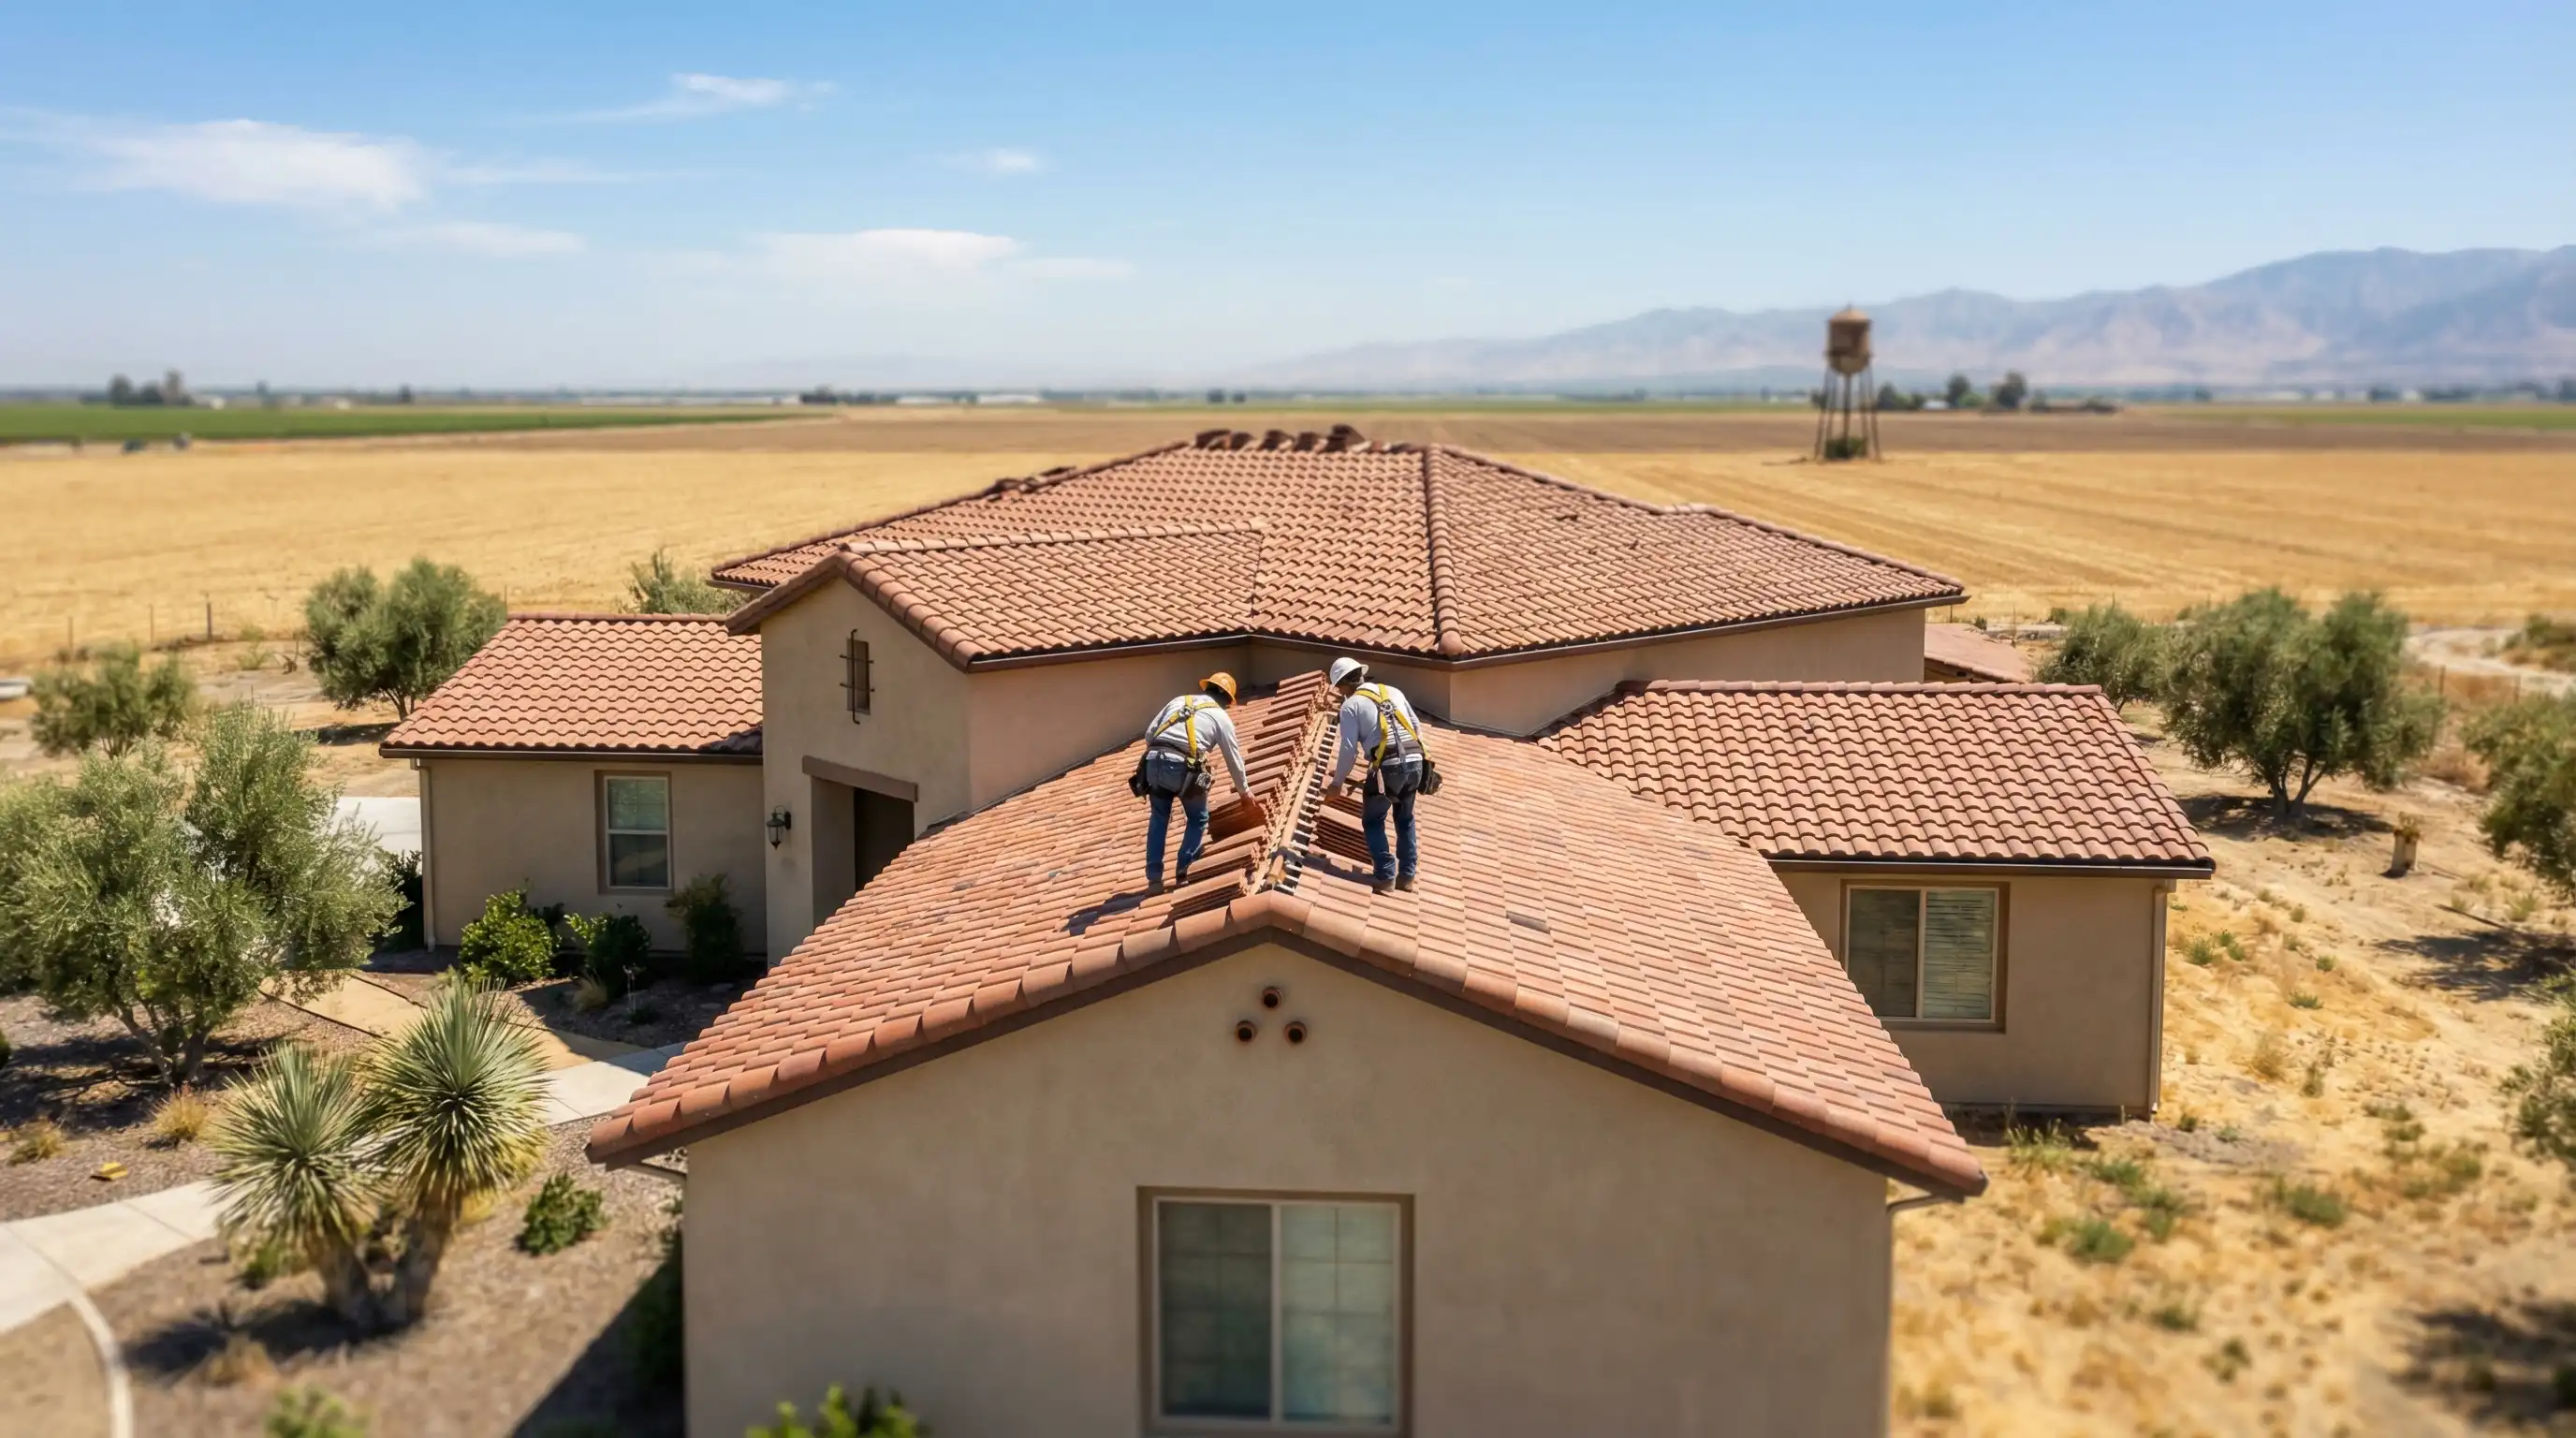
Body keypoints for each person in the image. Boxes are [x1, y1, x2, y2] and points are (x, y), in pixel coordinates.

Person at [1138, 671, 1251, 891]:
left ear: (1206, 689)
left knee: (1160, 817)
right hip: (1182, 768)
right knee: (1198, 817)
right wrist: (1244, 792)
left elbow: (1150, 734)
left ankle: (1154, 879)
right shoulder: (1221, 718)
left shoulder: (1180, 700)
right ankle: (1184, 870)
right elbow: (1233, 758)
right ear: (1228, 700)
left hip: (1153, 762)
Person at [1325, 656, 1427, 893]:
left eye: (1339, 688)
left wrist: (1337, 783)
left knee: (1373, 819)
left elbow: (1349, 749)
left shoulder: (1351, 706)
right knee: (1405, 818)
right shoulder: (1393, 691)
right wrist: (1416, 761)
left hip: (1387, 767)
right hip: (1415, 761)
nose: (1341, 693)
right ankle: (1407, 877)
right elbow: (1415, 725)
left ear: (1345, 684)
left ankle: (1386, 875)